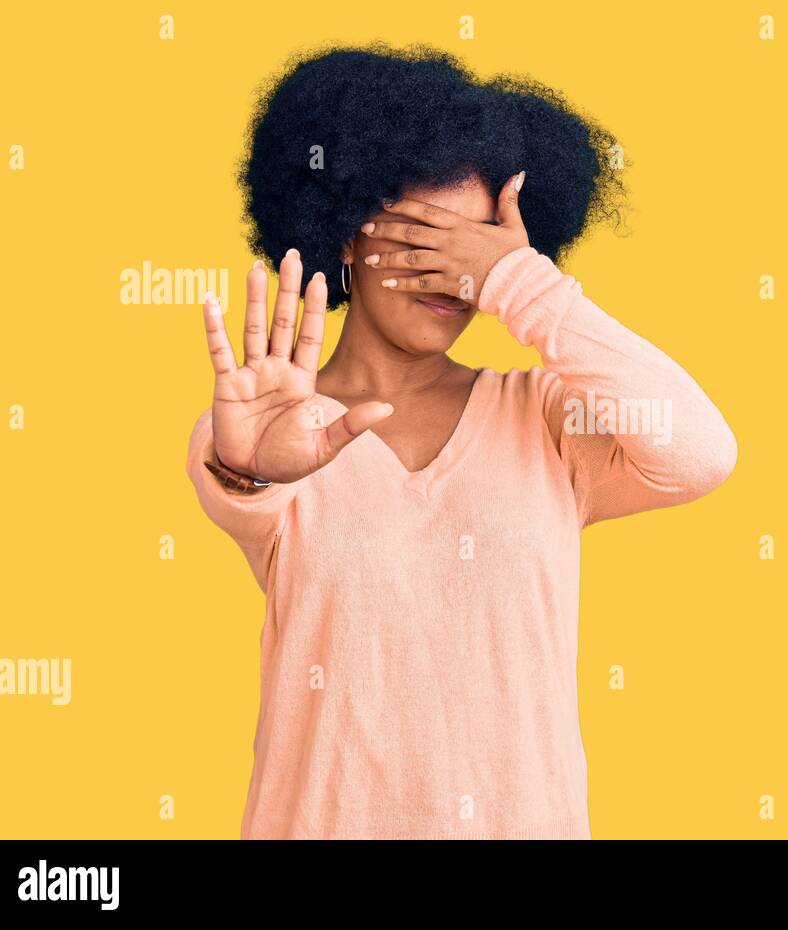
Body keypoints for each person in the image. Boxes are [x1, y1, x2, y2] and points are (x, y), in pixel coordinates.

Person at [186, 44, 736, 839]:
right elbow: (236, 478)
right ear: (345, 233)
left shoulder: (548, 421)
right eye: (424, 239)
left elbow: (701, 453)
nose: (456, 278)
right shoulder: (270, 427)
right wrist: (246, 471)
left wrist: (521, 284)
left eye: (477, 251)